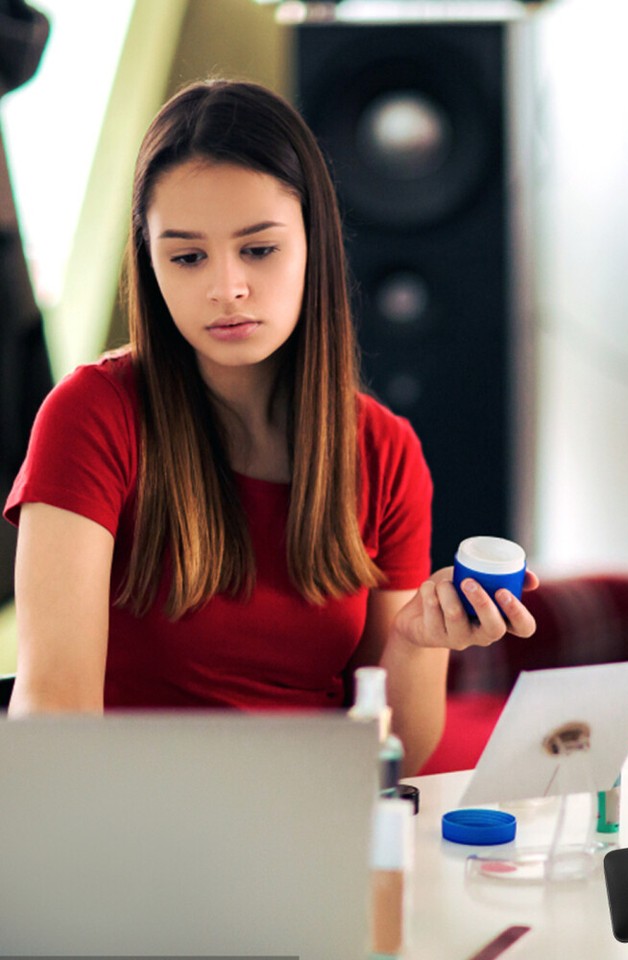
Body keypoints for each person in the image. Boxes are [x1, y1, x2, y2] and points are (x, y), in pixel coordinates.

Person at [2, 79, 537, 774]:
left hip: (315, 825)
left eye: (258, 250)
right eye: (187, 256)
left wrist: (417, 641)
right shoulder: (92, 415)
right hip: (133, 821)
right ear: (151, 262)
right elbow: (55, 720)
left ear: (313, 241)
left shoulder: (384, 449)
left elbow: (397, 758)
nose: (226, 287)